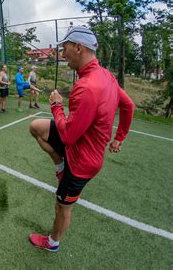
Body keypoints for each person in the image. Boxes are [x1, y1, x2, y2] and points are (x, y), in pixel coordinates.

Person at [28, 26, 135, 252]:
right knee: (36, 127)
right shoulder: (105, 76)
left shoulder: (87, 86)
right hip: (75, 149)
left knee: (62, 208)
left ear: (79, 48)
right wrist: (119, 138)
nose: (63, 55)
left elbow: (67, 136)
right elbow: (129, 106)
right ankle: (60, 167)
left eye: (65, 49)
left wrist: (56, 105)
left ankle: (52, 243)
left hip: (82, 163)